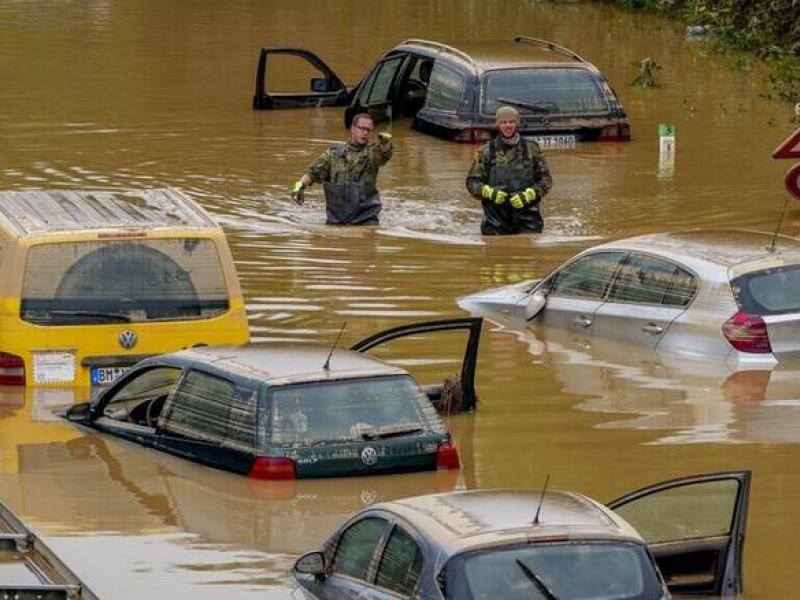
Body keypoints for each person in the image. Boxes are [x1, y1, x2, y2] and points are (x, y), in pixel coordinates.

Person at [290, 113, 393, 225]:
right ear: (352, 128)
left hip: (366, 218)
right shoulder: (334, 153)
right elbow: (314, 172)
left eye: (368, 130)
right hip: (336, 219)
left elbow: (383, 156)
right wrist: (299, 186)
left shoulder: (372, 153)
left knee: (366, 239)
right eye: (362, 128)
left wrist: (385, 143)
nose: (365, 133)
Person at [466, 106, 553, 235]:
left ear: (517, 123)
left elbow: (546, 181)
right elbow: (472, 183)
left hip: (528, 220)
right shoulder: (486, 151)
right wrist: (489, 192)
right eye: (503, 122)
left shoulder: (532, 149)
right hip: (495, 222)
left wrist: (530, 195)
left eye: (511, 122)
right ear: (498, 125)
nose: (508, 126)